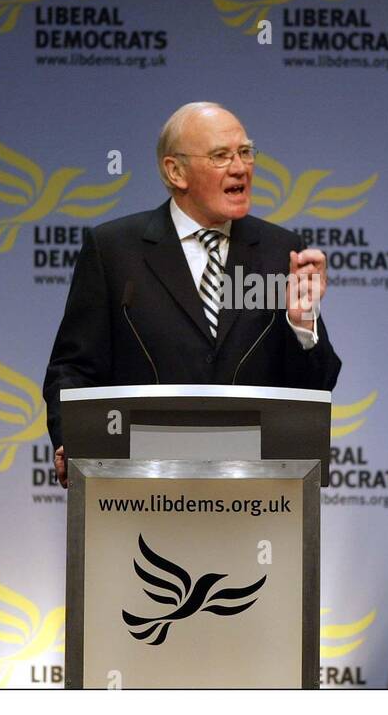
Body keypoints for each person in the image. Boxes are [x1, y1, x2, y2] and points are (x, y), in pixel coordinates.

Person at [42, 101, 342, 487]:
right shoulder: (115, 250)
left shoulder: (278, 250)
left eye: (246, 152)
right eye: (221, 156)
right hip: (137, 488)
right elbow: (74, 368)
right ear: (175, 171)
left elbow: (314, 387)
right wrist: (75, 438)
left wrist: (302, 324)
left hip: (255, 495)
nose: (240, 167)